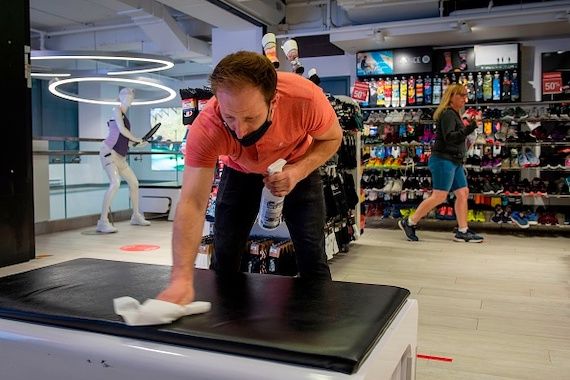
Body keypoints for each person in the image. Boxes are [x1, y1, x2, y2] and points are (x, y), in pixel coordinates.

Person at [157, 51, 343, 305]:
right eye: (229, 117)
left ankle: (321, 330)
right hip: (239, 172)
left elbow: (332, 138)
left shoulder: (305, 98)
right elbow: (192, 203)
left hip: (297, 166)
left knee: (312, 254)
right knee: (224, 252)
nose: (240, 130)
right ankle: (225, 324)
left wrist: (297, 172)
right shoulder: (207, 127)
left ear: (273, 102)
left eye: (250, 118)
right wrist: (180, 279)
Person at [398, 84, 484, 243]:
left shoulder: (455, 114)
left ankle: (462, 230)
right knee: (439, 196)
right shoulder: (447, 115)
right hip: (444, 160)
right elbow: (450, 137)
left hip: (454, 160)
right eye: (462, 96)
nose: (465, 99)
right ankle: (409, 222)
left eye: (466, 96)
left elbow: (456, 138)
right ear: (452, 96)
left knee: (463, 192)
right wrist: (470, 127)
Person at [96, 88, 151, 233]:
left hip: (120, 157)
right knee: (115, 183)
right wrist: (136, 138)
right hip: (109, 154)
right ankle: (102, 221)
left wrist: (139, 144)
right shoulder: (117, 110)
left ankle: (136, 215)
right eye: (126, 94)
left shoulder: (124, 115)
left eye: (131, 95)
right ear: (120, 97)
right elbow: (121, 130)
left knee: (134, 183)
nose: (129, 97)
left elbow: (126, 139)